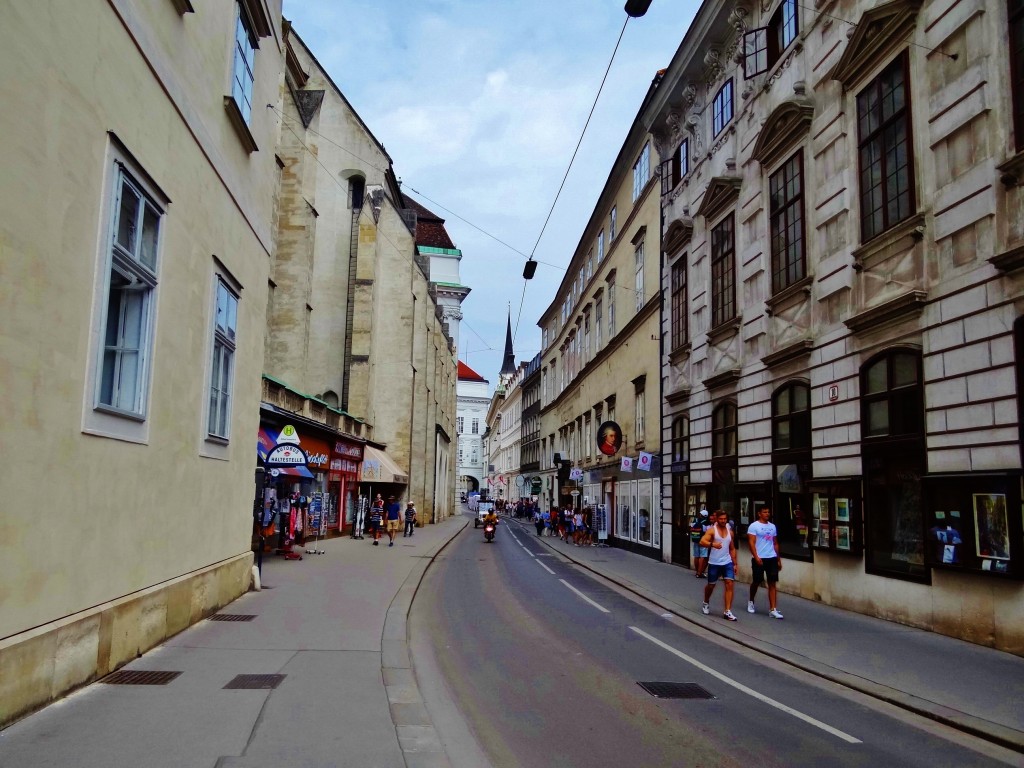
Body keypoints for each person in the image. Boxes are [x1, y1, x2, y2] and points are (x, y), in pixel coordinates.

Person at [700, 509, 739, 621]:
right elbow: (702, 541)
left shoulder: (730, 532)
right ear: (716, 519)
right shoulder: (712, 531)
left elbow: (732, 548)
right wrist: (713, 544)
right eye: (721, 519)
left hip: (727, 562)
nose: (723, 521)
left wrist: (735, 563)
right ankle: (706, 602)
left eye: (725, 519)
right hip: (714, 562)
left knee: (729, 583)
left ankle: (727, 611)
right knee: (711, 585)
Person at [747, 507, 783, 619]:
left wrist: (778, 559)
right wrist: (756, 556)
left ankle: (773, 609)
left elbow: (775, 543)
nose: (767, 514)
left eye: (768, 512)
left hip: (771, 557)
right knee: (757, 581)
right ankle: (751, 600)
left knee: (772, 582)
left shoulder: (772, 527)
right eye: (764, 512)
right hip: (759, 557)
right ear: (759, 514)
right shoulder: (754, 526)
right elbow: (751, 543)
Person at [691, 509, 710, 578]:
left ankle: (696, 571)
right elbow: (708, 532)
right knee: (702, 556)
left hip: (695, 540)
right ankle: (699, 573)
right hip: (703, 541)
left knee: (696, 556)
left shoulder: (695, 520)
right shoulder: (706, 522)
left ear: (700, 514)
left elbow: (691, 527)